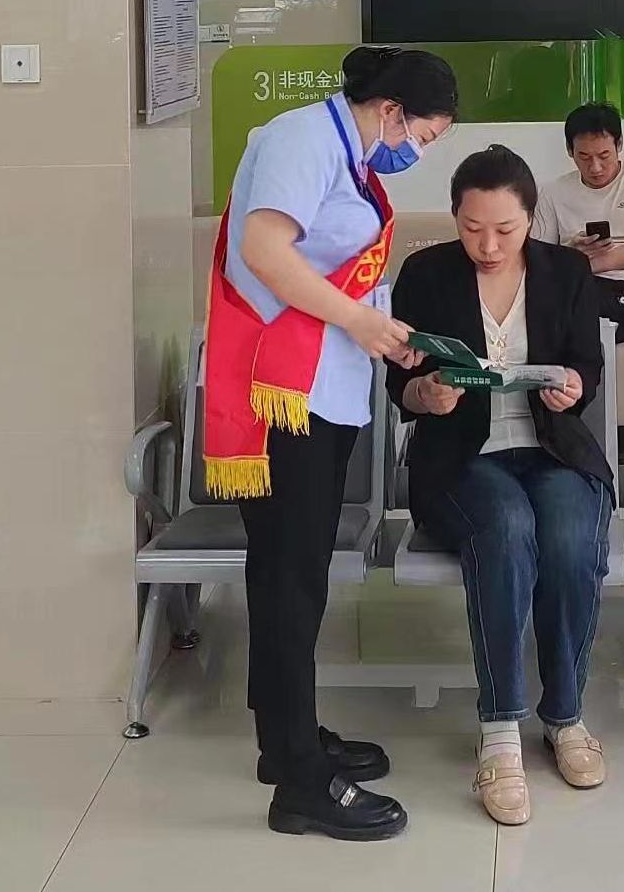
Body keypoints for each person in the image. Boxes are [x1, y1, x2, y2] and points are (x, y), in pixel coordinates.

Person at [205, 45, 457, 840]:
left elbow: (337, 271)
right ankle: (300, 785)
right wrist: (357, 320)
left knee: (295, 571)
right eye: (423, 136)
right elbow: (264, 251)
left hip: (321, 387)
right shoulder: (301, 139)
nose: (418, 153)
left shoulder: (347, 156)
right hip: (285, 395)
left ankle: (287, 741)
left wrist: (386, 330)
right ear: (391, 111)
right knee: (290, 578)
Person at [389, 147, 614, 827]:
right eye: (472, 228)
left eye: (505, 230)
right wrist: (426, 394)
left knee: (570, 538)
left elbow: (586, 367)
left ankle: (565, 715)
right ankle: (500, 731)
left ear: (531, 219)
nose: (487, 246)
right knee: (507, 528)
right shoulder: (425, 274)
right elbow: (401, 381)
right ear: (455, 218)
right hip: (463, 461)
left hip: (551, 450)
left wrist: (571, 388)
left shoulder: (566, 272)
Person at [530, 103, 624, 342]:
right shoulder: (552, 192)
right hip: (571, 287)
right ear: (569, 151)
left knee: (566, 307)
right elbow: (536, 260)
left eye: (604, 155)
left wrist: (590, 264)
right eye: (584, 157)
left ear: (619, 145)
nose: (595, 167)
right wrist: (571, 255)